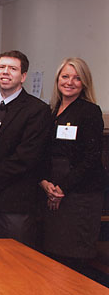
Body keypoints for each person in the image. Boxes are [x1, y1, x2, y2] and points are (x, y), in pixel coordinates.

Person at [0, 50, 51, 247]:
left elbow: (26, 156)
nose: (6, 72)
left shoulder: (37, 110)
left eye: (13, 68)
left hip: (15, 203)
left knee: (15, 264)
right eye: (2, 67)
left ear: (23, 76)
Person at [39, 57, 104, 275]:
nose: (70, 82)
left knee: (73, 260)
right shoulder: (51, 111)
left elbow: (91, 158)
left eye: (77, 78)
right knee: (51, 257)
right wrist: (46, 184)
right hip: (51, 190)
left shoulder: (89, 112)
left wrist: (62, 189)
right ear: (58, 79)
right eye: (65, 76)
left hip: (79, 197)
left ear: (84, 82)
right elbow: (44, 152)